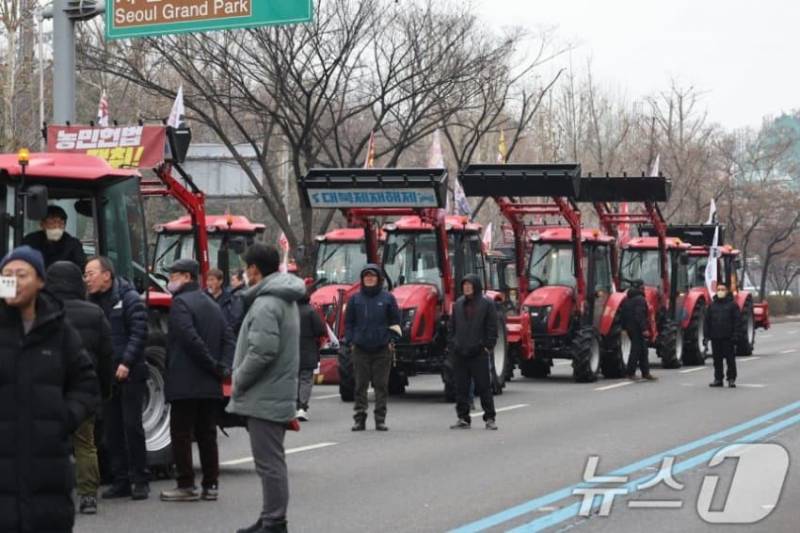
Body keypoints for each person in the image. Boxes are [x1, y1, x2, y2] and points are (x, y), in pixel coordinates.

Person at [0, 246, 99, 532]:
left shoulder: (58, 330)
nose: (13, 281)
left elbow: (85, 382)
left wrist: (63, 417)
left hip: (48, 464)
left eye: (22, 274)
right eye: (6, 275)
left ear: (40, 281)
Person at [228, 244, 306, 533]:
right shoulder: (280, 299)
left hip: (265, 394)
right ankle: (269, 516)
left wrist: (239, 380)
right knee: (269, 463)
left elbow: (262, 351)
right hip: (273, 392)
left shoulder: (266, 303)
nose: (244, 272)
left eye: (246, 267)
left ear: (254, 270)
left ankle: (274, 521)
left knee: (269, 465)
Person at [160, 259, 235, 502]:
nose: (171, 281)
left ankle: (186, 485)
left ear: (187, 277)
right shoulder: (212, 304)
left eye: (174, 276)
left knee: (181, 434)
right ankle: (211, 485)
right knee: (207, 434)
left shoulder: (181, 303)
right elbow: (228, 337)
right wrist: (222, 367)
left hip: (186, 381)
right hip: (209, 383)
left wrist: (211, 364)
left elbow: (189, 340)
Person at [46, 260, 114, 516]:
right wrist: (104, 390)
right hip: (83, 391)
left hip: (49, 389)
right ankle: (88, 497)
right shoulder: (94, 313)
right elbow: (107, 356)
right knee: (86, 444)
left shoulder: (42, 311)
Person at [84, 256, 150, 501]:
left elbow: (139, 332)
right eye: (85, 274)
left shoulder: (129, 298)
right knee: (111, 430)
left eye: (90, 273)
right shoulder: (91, 302)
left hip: (130, 372)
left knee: (132, 426)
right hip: (106, 375)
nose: (86, 278)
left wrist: (126, 362)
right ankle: (120, 479)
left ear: (106, 275)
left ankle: (140, 480)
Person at [344, 264, 401, 432]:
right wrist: (351, 341)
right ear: (362, 279)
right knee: (360, 385)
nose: (369, 278)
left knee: (381, 385)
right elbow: (349, 323)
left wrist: (391, 340)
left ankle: (380, 419)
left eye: (372, 276)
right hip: (360, 349)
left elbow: (395, 322)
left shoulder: (388, 298)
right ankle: (359, 419)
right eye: (366, 276)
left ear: (378, 279)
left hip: (382, 349)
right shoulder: (355, 299)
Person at [448, 274, 499, 430]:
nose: (467, 288)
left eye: (470, 285)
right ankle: (463, 418)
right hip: (460, 353)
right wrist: (453, 345)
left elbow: (492, 327)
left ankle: (490, 418)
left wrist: (487, 346)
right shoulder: (458, 304)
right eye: (464, 285)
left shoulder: (487, 304)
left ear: (476, 286)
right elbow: (452, 327)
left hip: (479, 353)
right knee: (461, 387)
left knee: (484, 386)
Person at [22, 204, 87, 268]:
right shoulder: (30, 241)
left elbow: (81, 267)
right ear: (42, 224)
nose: (57, 227)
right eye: (52, 223)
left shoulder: (73, 244)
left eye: (61, 223)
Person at [297, 283, 326, 421]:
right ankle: (302, 407)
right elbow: (321, 329)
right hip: (308, 350)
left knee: (293, 379)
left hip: (290, 351)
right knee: (306, 379)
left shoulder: (288, 311)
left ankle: (294, 406)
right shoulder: (311, 311)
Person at [704, 283, 741, 388]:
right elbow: (707, 322)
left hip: (728, 337)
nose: (720, 291)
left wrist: (736, 335)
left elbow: (737, 321)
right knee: (717, 360)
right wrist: (706, 336)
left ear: (727, 291)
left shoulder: (732, 305)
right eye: (718, 289)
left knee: (730, 360)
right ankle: (718, 379)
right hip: (715, 337)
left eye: (722, 289)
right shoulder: (712, 306)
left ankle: (731, 379)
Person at [621, 279, 656, 381]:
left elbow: (623, 314)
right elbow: (640, 315)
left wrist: (624, 328)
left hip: (630, 328)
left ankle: (646, 373)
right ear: (641, 288)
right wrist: (644, 329)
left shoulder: (627, 299)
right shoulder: (640, 299)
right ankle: (630, 373)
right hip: (637, 328)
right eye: (643, 287)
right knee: (636, 350)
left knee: (643, 350)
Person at [207, 267, 244, 334]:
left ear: (220, 281)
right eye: (208, 280)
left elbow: (234, 322)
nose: (209, 283)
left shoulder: (231, 299)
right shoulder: (204, 298)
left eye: (212, 280)